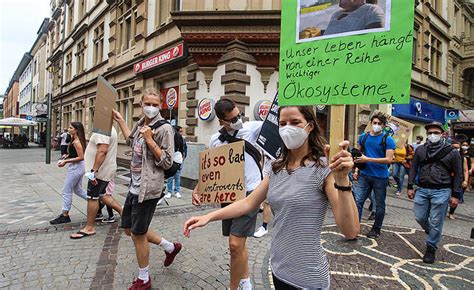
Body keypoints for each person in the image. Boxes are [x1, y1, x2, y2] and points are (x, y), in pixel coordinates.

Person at [185, 106, 359, 289]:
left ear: (310, 126)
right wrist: (208, 217)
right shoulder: (275, 166)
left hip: (309, 277)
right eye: (282, 123)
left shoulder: (323, 168)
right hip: (278, 270)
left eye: (295, 122)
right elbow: (248, 203)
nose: (287, 128)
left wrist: (342, 179)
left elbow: (350, 231)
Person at [113, 88, 182, 290]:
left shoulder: (164, 129)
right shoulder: (141, 123)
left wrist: (151, 140)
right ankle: (170, 247)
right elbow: (130, 140)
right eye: (147, 103)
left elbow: (167, 162)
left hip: (149, 188)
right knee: (129, 229)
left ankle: (144, 279)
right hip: (134, 186)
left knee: (138, 234)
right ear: (141, 104)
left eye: (154, 104)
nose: (150, 107)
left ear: (159, 106)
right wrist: (120, 121)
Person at [191, 98, 263, 290]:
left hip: (251, 191)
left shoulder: (252, 128)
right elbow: (210, 169)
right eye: (232, 119)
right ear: (221, 121)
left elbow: (276, 126)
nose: (238, 119)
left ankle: (235, 287)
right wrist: (198, 188)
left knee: (234, 244)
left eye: (239, 115)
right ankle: (246, 282)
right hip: (229, 194)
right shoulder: (216, 140)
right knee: (239, 245)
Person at [407, 122, 463, 264]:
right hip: (422, 189)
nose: (433, 135)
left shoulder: (452, 152)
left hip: (442, 190)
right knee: (419, 216)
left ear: (442, 134)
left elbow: (458, 174)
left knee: (436, 221)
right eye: (430, 133)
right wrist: (409, 186)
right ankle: (432, 232)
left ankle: (431, 247)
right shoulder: (420, 150)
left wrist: (456, 195)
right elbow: (413, 168)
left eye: (436, 133)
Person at [69, 126, 123, 239]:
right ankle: (125, 214)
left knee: (92, 197)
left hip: (100, 171)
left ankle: (89, 227)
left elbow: (102, 150)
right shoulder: (110, 128)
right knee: (103, 195)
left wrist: (94, 171)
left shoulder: (103, 129)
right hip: (106, 169)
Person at [353, 113, 396, 238]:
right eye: (374, 123)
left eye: (379, 124)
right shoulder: (364, 137)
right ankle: (355, 226)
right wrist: (356, 170)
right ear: (371, 123)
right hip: (365, 175)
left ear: (383, 125)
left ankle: (376, 229)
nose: (376, 125)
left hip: (380, 177)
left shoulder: (387, 139)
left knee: (379, 204)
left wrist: (368, 159)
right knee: (358, 201)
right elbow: (359, 155)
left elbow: (389, 159)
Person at [50, 122, 88, 224]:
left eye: (71, 128)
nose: (68, 129)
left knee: (66, 190)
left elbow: (81, 157)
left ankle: (65, 215)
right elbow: (75, 154)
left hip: (77, 168)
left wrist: (65, 161)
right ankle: (95, 202)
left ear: (76, 130)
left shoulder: (77, 142)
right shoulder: (74, 140)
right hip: (78, 167)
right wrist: (66, 156)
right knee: (78, 190)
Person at [448, 141, 470, 220]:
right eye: (453, 147)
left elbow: (465, 170)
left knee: (456, 197)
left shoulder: (463, 158)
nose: (455, 149)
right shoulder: (446, 156)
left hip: (458, 180)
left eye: (457, 148)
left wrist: (466, 180)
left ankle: (451, 213)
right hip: (447, 180)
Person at [166, 126, 187, 199]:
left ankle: (177, 191)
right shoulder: (171, 139)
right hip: (172, 159)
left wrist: (183, 157)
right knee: (170, 176)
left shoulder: (183, 139)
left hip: (179, 159)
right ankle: (169, 191)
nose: (181, 133)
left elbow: (185, 148)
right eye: (180, 131)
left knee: (177, 176)